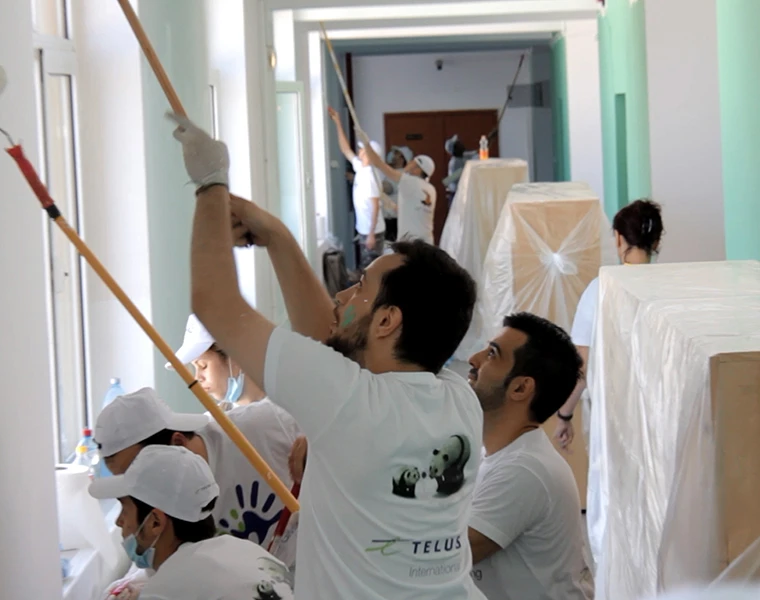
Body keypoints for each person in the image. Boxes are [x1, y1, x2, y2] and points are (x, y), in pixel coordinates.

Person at [167, 111, 484, 600]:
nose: (341, 299)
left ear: (386, 321)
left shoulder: (351, 401)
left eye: (360, 288)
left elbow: (216, 305)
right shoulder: (459, 399)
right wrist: (274, 236)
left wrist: (209, 183)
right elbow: (328, 341)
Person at [94, 387, 300, 572]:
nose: (137, 490)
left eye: (139, 468)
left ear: (177, 443)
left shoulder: (265, 426)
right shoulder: (160, 508)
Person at [466, 312, 593, 600]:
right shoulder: (503, 454)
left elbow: (443, 559)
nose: (473, 360)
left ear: (521, 387)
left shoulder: (523, 470)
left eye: (492, 355)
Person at [89, 445, 294, 600]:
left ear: (155, 522)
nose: (118, 521)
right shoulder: (244, 549)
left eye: (124, 509)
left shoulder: (169, 589)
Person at [554, 199, 664, 449]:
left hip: (614, 412)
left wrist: (564, 415)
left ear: (618, 239)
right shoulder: (670, 289)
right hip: (661, 409)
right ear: (657, 242)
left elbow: (582, 365)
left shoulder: (599, 290)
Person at [327, 106, 385, 267]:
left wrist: (372, 234)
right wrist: (337, 122)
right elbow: (346, 150)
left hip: (373, 232)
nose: (359, 152)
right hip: (365, 230)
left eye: (363, 150)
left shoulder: (371, 177)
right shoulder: (361, 168)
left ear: (370, 155)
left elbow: (375, 207)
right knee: (367, 271)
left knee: (371, 272)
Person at [167, 313, 264, 408]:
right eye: (194, 367)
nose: (197, 378)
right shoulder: (219, 419)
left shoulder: (276, 413)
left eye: (203, 366)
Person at [362, 135, 437, 244]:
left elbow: (379, 164)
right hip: (426, 240)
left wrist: (366, 144)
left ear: (418, 170)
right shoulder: (431, 189)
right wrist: (392, 206)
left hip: (410, 243)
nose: (410, 163)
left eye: (413, 163)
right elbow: (412, 208)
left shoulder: (409, 181)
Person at [381, 145, 413, 242]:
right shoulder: (395, 174)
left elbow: (387, 188)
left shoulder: (400, 175)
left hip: (394, 220)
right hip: (393, 218)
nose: (392, 156)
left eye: (396, 155)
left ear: (402, 159)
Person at [442, 135, 477, 209]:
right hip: (456, 196)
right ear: (455, 149)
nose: (461, 144)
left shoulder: (463, 156)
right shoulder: (455, 162)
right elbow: (450, 181)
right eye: (458, 144)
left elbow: (476, 152)